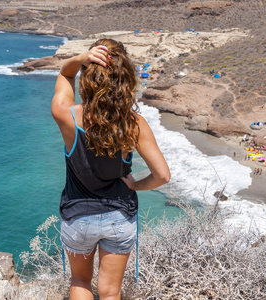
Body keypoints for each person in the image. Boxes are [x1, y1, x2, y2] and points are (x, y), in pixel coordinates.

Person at [51, 39, 170, 300]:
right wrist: (135, 184)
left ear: (88, 77)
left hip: (78, 216)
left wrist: (79, 59)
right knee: (109, 292)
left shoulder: (67, 116)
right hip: (119, 217)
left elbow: (64, 73)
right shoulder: (134, 123)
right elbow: (162, 175)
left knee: (80, 281)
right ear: (124, 79)